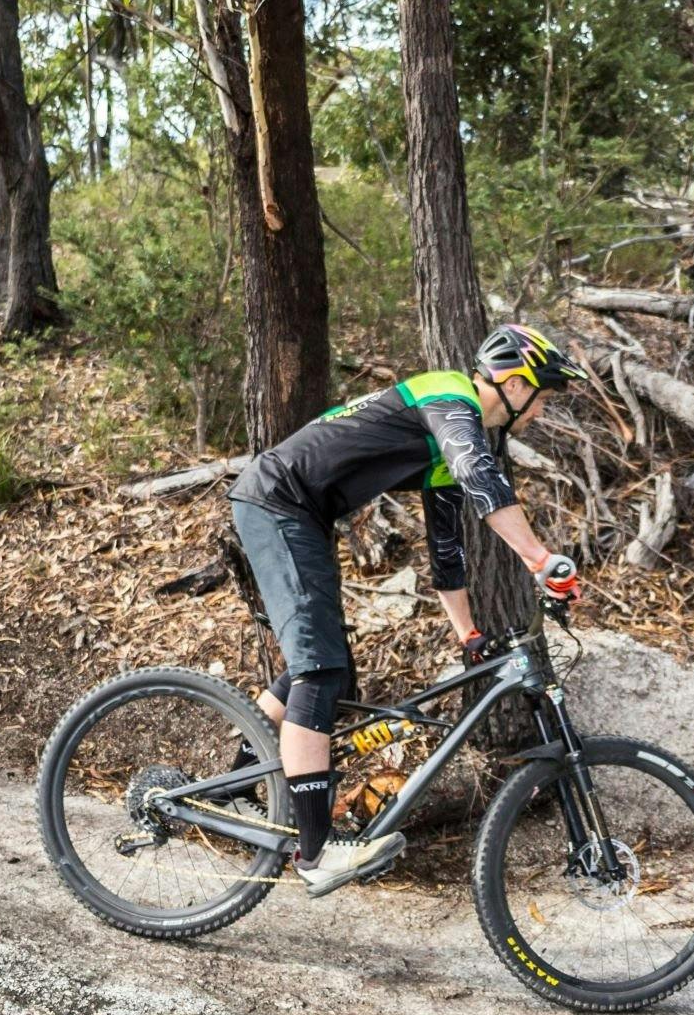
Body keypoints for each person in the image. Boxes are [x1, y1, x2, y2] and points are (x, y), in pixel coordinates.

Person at [228, 322, 584, 897]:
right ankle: (315, 853)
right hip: (277, 501)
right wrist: (540, 559)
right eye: (541, 397)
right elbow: (479, 476)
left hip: (300, 513)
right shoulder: (450, 397)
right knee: (320, 670)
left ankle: (235, 784)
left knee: (323, 664)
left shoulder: (454, 435)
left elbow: (447, 547)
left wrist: (467, 632)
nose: (541, 412)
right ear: (515, 384)